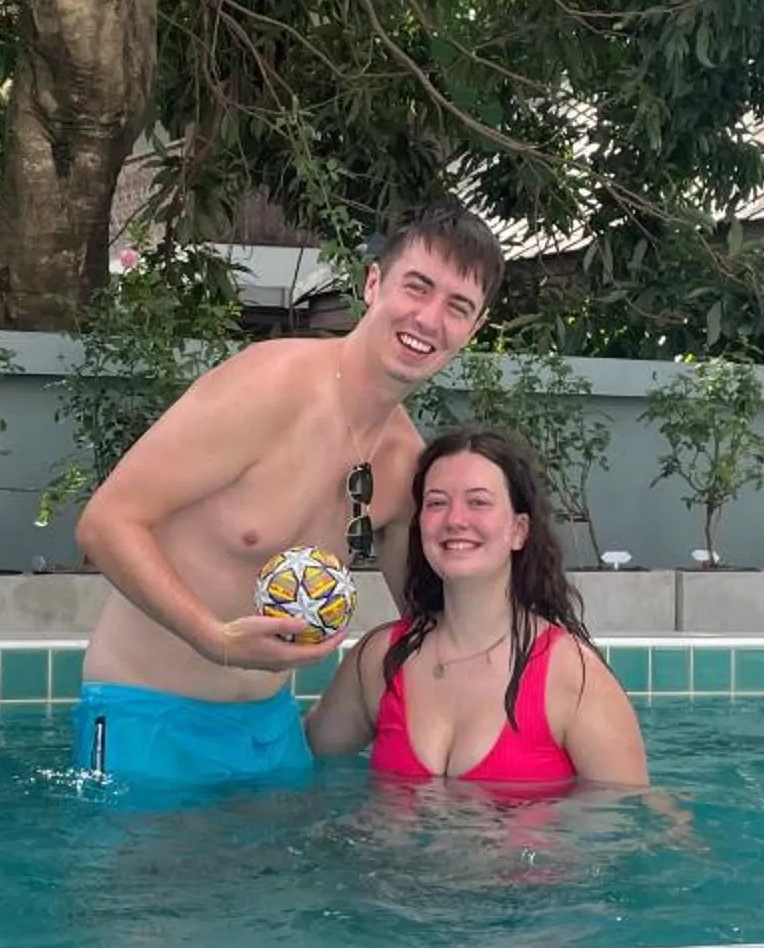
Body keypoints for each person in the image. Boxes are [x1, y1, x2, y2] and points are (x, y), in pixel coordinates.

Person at [70, 199, 505, 792]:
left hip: (272, 731)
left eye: (458, 307)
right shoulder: (266, 388)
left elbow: (433, 626)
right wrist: (214, 638)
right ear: (374, 283)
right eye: (418, 287)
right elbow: (106, 524)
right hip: (146, 716)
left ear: (473, 329)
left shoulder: (405, 465)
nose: (430, 319)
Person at [307, 426, 648, 789]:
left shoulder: (573, 677)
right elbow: (302, 762)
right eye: (436, 502)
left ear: (519, 530)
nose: (455, 520)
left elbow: (634, 821)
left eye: (478, 502)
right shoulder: (380, 660)